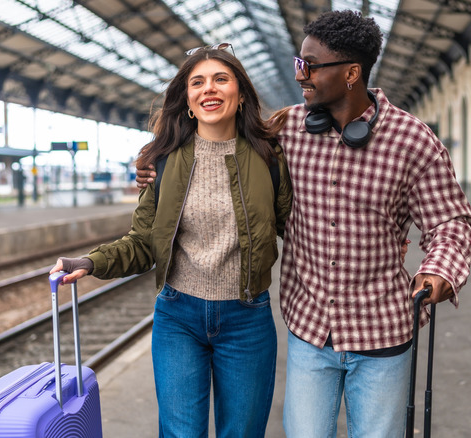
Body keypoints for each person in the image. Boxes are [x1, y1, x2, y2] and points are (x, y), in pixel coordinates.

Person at [137, 10, 471, 437]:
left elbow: (450, 221)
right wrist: (156, 162)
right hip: (310, 329)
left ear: (352, 73)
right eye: (299, 63)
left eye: (309, 65)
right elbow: (219, 136)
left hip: (383, 329)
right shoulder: (285, 131)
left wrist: (439, 270)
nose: (300, 76)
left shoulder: (413, 141)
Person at [50, 44, 292, 438]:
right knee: (180, 434)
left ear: (241, 93)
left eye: (220, 79)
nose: (208, 89)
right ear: (189, 101)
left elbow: (295, 227)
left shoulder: (270, 157)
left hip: (247, 318)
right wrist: (91, 262)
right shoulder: (162, 161)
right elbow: (144, 241)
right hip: (178, 316)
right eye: (197, 82)